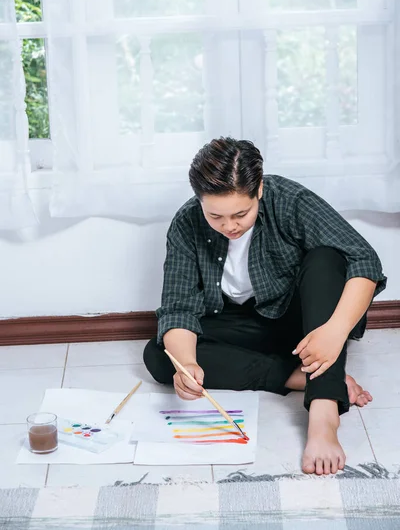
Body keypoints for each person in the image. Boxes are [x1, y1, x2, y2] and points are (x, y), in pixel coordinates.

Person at [143, 137, 386, 475]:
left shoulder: (290, 201)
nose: (230, 226)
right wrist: (185, 363)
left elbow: (365, 260)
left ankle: (324, 410)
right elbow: (178, 307)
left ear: (258, 190)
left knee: (327, 258)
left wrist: (335, 330)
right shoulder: (186, 223)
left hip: (307, 321)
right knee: (159, 355)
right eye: (216, 216)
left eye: (240, 214)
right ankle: (294, 375)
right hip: (243, 320)